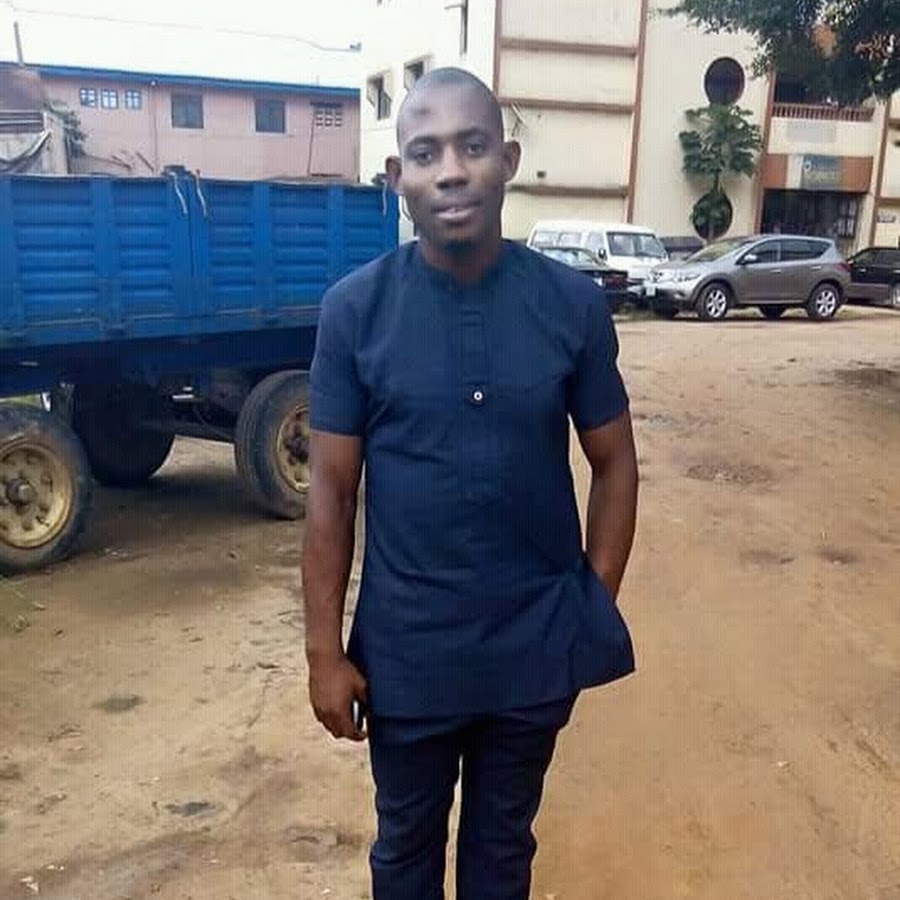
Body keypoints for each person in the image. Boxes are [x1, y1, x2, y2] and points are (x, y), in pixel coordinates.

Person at [302, 67, 639, 900]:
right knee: (405, 853)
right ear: (398, 178)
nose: (451, 171)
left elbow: (615, 464)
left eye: (472, 146)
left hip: (533, 654)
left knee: (502, 853)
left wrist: (589, 606)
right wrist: (324, 653)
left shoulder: (570, 305)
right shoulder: (355, 312)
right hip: (408, 657)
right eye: (426, 154)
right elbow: (332, 493)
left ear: (508, 160)